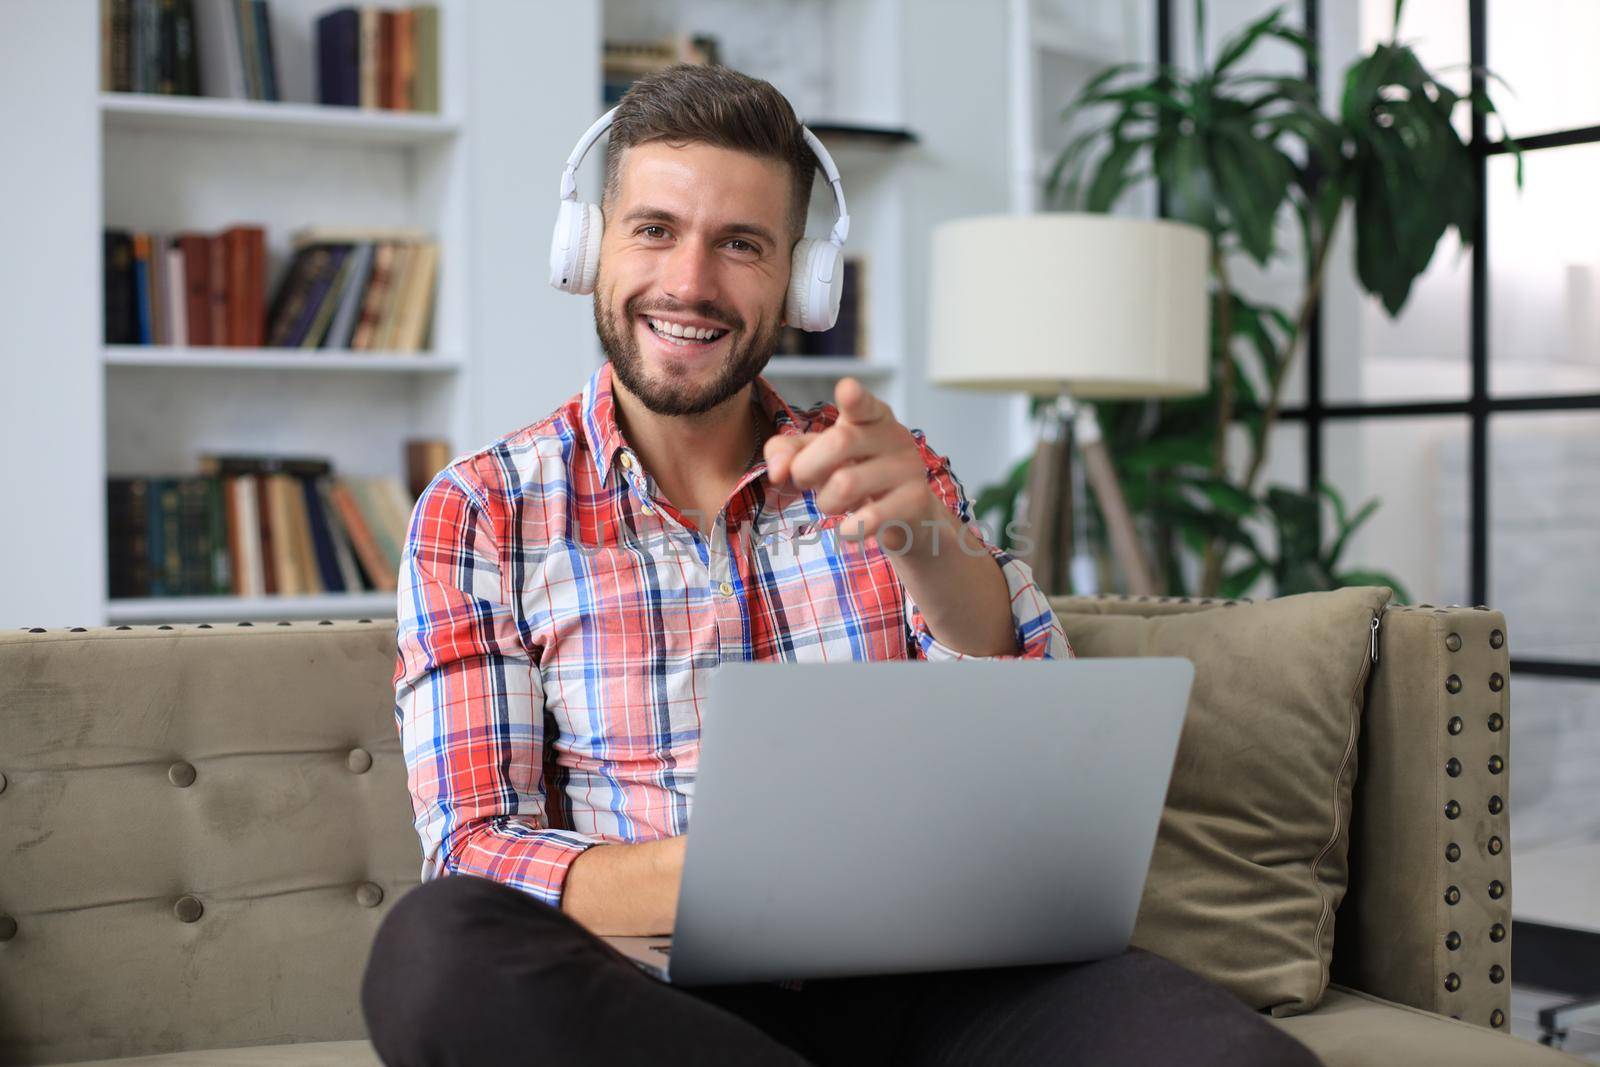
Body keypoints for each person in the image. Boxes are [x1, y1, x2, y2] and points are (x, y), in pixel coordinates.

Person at [361, 63, 1322, 1067]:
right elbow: (477, 846)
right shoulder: (482, 511)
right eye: (654, 229)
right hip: (659, 1000)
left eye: (741, 244)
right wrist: (751, 875)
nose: (689, 282)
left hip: (941, 982)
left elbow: (1038, 754)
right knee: (434, 953)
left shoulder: (886, 472)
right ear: (589, 246)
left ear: (801, 280)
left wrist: (924, 537)